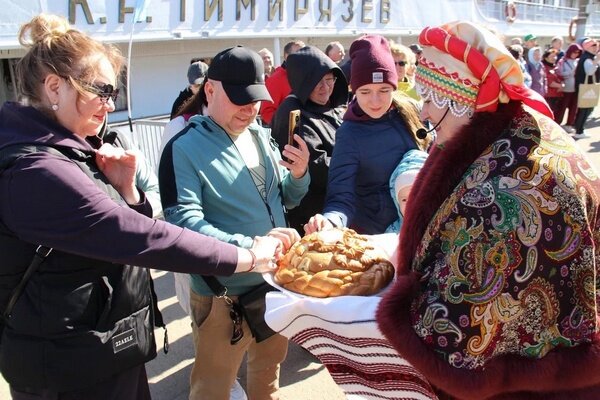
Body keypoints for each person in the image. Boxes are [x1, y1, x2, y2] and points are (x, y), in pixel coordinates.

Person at [0, 14, 287, 400]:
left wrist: (126, 190)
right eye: (100, 91)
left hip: (101, 344)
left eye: (112, 93)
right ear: (54, 87)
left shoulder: (71, 148)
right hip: (68, 363)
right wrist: (249, 256)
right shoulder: (38, 168)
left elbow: (118, 232)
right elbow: (143, 237)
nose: (108, 105)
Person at [376, 20, 600, 399]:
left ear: (459, 97)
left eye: (430, 99)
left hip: (527, 388)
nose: (425, 113)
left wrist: (387, 311)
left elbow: (457, 332)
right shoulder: (526, 129)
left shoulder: (504, 189)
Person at [158, 45, 310, 400]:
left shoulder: (259, 133)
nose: (250, 108)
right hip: (222, 294)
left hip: (274, 281)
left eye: (255, 98)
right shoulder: (183, 146)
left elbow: (282, 198)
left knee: (269, 372)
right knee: (213, 386)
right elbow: (183, 223)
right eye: (240, 98)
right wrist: (252, 247)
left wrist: (299, 176)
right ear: (209, 90)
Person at [305, 34, 430, 235]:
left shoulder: (413, 112)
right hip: (379, 238)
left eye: (383, 90)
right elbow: (341, 197)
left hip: (421, 229)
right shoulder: (349, 133)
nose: (375, 101)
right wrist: (330, 222)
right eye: (365, 92)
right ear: (354, 91)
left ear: (394, 86)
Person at [271, 45, 348, 233]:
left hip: (338, 206)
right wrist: (356, 165)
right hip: (312, 218)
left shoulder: (332, 107)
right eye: (317, 82)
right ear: (303, 83)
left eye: (330, 79)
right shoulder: (293, 112)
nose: (326, 88)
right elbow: (317, 168)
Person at [259, 40, 304, 126]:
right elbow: (267, 112)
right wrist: (286, 127)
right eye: (299, 54)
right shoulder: (276, 79)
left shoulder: (306, 76)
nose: (303, 57)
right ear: (287, 57)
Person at [386, 148, 428, 233]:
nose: (410, 204)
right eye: (404, 200)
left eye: (415, 196)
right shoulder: (393, 232)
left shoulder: (442, 223)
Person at [573, 38, 600, 139]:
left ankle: (579, 129)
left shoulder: (589, 57)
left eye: (596, 45)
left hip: (587, 87)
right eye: (592, 46)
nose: (595, 48)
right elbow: (589, 72)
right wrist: (596, 61)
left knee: (587, 109)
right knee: (585, 109)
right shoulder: (587, 58)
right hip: (585, 87)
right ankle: (579, 131)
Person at [555, 43, 582, 131]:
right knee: (562, 108)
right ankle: (557, 124)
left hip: (576, 88)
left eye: (577, 53)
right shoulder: (563, 61)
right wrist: (570, 72)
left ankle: (569, 124)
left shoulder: (578, 61)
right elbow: (559, 73)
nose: (575, 54)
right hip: (566, 88)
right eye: (574, 52)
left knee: (573, 108)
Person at [542, 48, 563, 117]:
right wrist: (561, 86)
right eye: (551, 56)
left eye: (555, 56)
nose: (554, 58)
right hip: (549, 96)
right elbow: (549, 82)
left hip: (557, 95)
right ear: (546, 58)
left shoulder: (554, 67)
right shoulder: (544, 67)